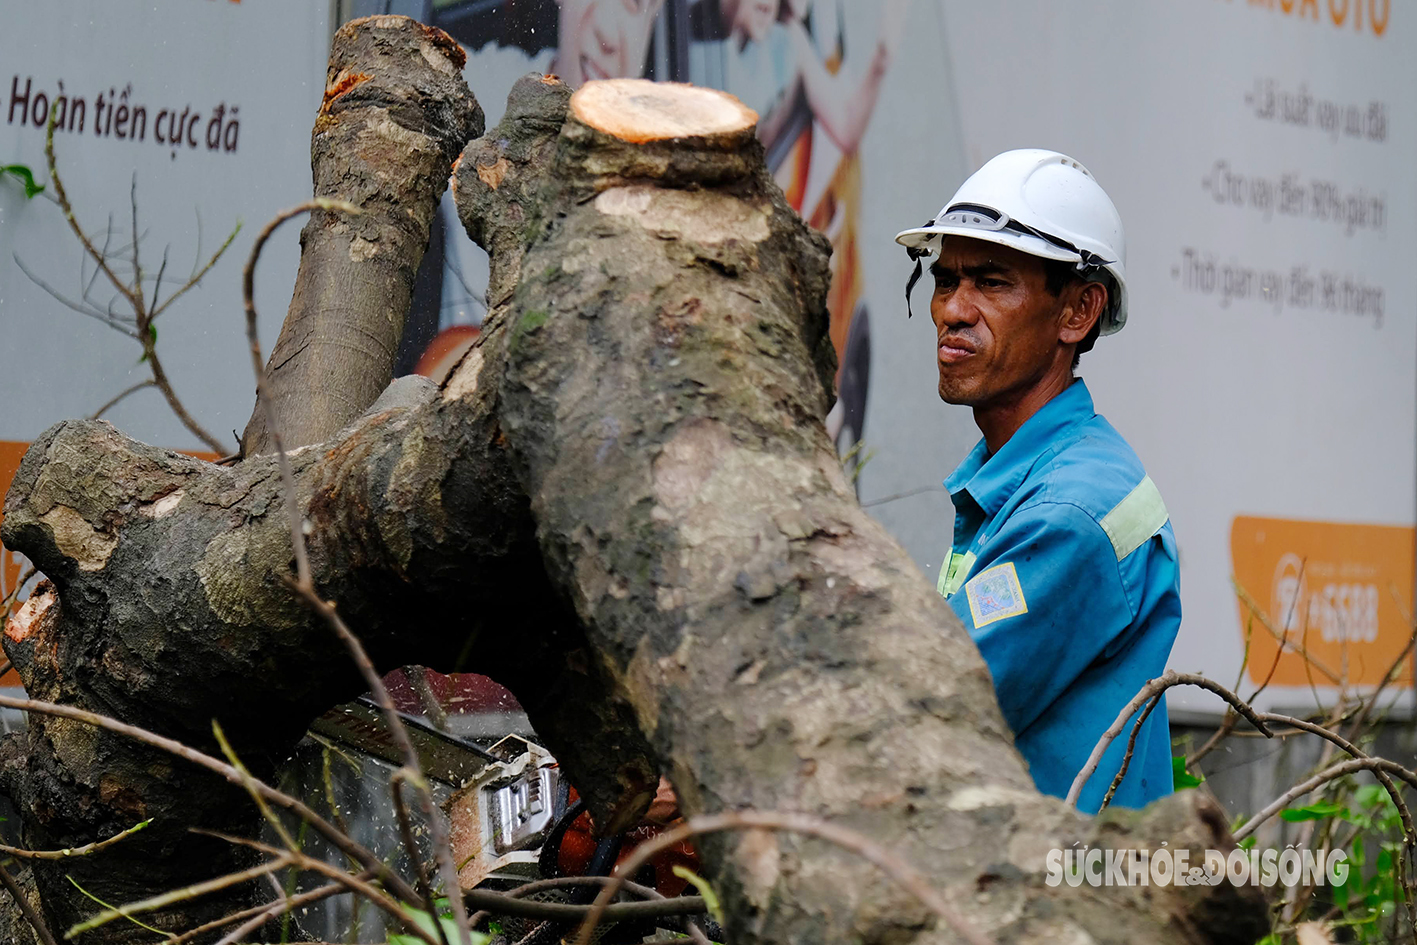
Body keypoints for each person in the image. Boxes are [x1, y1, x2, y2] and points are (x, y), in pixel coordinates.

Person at [894, 149, 1181, 813]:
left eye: (990, 283)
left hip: (1058, 902)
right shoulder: (1031, 480)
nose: (953, 311)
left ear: (1077, 311)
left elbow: (929, 717)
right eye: (946, 281)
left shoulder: (1068, 510)